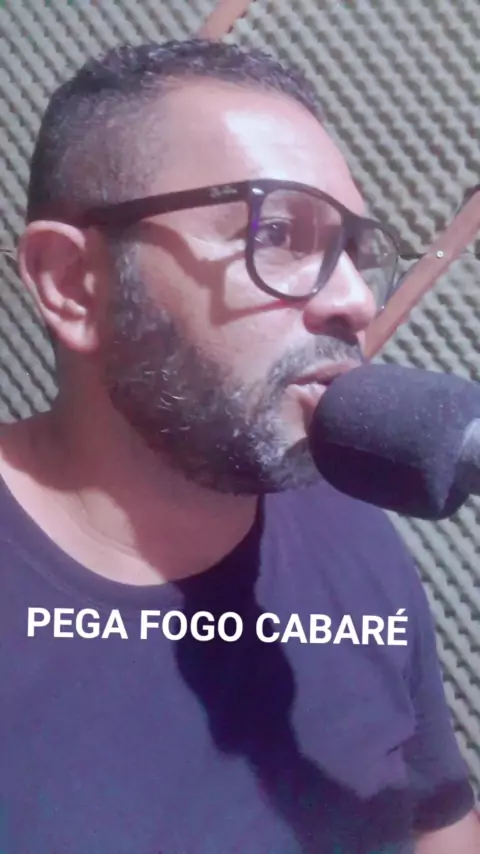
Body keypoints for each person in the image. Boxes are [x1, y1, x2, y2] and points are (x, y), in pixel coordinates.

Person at [0, 38, 478, 854]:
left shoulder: (353, 533)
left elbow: (438, 819)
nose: (355, 301)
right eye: (279, 232)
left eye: (355, 252)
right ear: (73, 283)